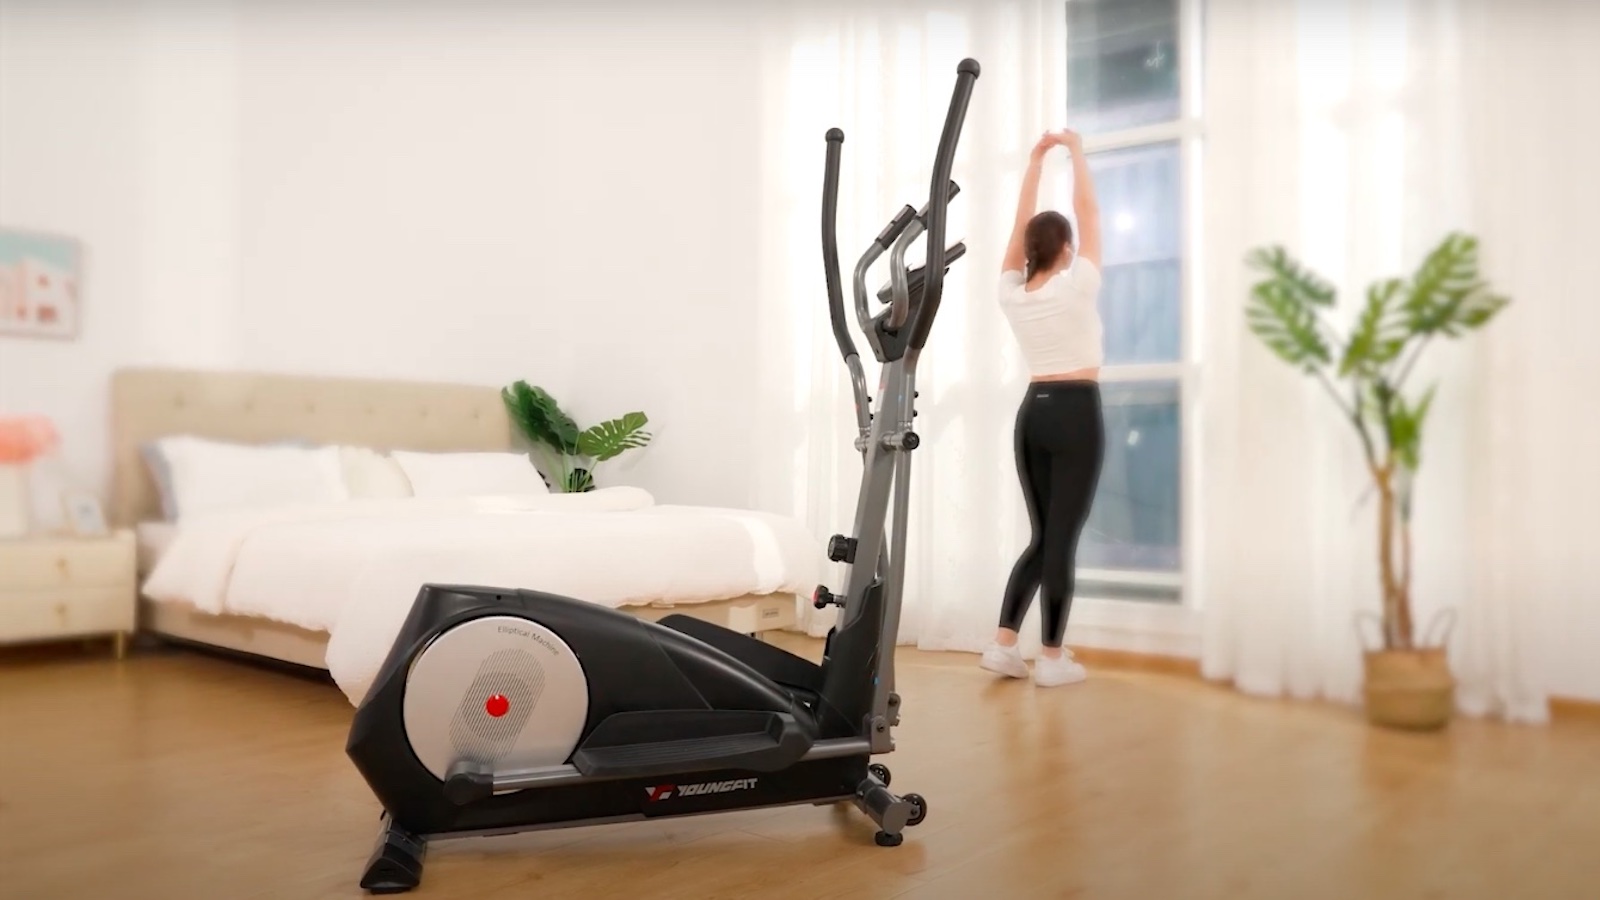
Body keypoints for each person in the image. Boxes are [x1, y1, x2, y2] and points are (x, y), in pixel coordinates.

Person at [980, 128, 1105, 688]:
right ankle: (1052, 658)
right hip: (1076, 412)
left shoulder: (1013, 294)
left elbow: (1018, 228)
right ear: (1067, 249)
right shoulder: (1076, 286)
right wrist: (1074, 152)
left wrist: (1034, 163)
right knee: (1061, 540)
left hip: (1034, 414)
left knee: (1041, 536)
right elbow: (1088, 211)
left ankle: (1003, 645)